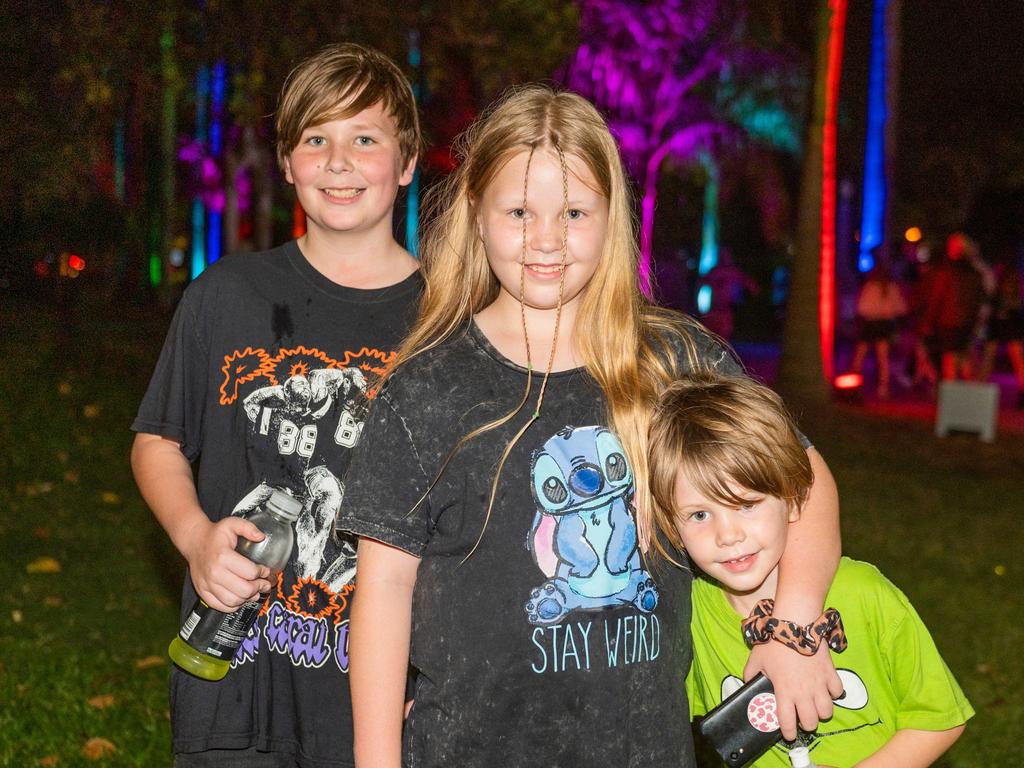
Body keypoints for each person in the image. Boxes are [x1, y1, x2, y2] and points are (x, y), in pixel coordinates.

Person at [338, 85, 842, 768]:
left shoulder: (677, 361)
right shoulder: (425, 390)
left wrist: (794, 624)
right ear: (477, 217)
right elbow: (384, 590)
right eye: (519, 211)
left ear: (611, 220)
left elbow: (803, 484)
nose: (546, 238)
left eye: (574, 211)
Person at [130, 43, 422, 767]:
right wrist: (196, 538)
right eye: (315, 139)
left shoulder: (447, 322)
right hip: (235, 685)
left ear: (407, 161)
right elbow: (157, 441)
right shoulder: (226, 295)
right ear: (287, 163)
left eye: (365, 138)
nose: (339, 160)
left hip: (390, 695)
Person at [647, 374, 973, 767]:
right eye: (700, 514)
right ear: (671, 527)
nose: (727, 534)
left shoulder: (864, 593)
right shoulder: (690, 617)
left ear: (795, 500)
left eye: (747, 504)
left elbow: (938, 718)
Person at [922, 233, 987, 381]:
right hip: (966, 322)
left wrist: (929, 322)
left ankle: (952, 397)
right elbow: (980, 299)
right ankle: (968, 394)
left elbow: (937, 298)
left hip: (950, 322)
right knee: (963, 357)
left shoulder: (948, 271)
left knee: (950, 359)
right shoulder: (974, 272)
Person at [848, 262, 906, 399]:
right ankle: (880, 387)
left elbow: (862, 308)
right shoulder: (888, 287)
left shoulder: (875, 287)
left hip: (872, 324)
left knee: (864, 356)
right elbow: (901, 308)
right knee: (880, 357)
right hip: (882, 324)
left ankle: (857, 385)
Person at [980, 253, 1024, 408]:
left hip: (1009, 319)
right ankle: (979, 392)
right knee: (994, 354)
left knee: (1015, 355)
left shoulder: (1010, 277)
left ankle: (980, 391)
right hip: (1003, 320)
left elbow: (1014, 300)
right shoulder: (1000, 275)